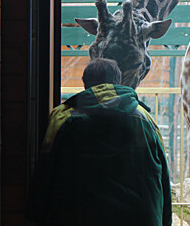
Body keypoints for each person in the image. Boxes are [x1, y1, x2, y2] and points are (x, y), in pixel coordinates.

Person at [27, 58, 172, 226]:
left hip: (77, 216)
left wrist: (35, 213)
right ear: (118, 82)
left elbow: (45, 168)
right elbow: (162, 173)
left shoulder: (62, 117)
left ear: (85, 84)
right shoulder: (144, 118)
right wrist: (165, 220)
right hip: (139, 217)